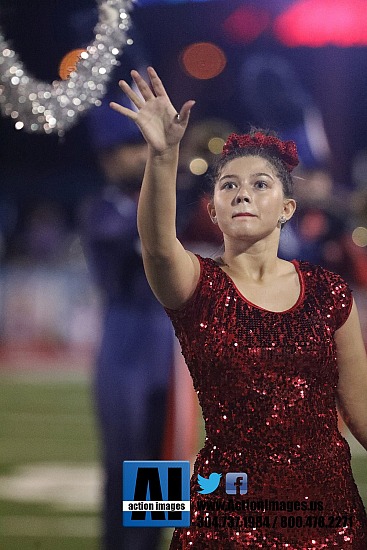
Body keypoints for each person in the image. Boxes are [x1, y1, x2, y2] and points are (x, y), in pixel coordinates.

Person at [110, 67, 367, 548]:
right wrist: (163, 156)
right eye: (228, 185)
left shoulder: (330, 293)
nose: (243, 192)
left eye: (261, 184)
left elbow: (361, 411)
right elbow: (159, 247)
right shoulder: (198, 285)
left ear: (288, 208)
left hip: (328, 519)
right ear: (213, 209)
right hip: (226, 518)